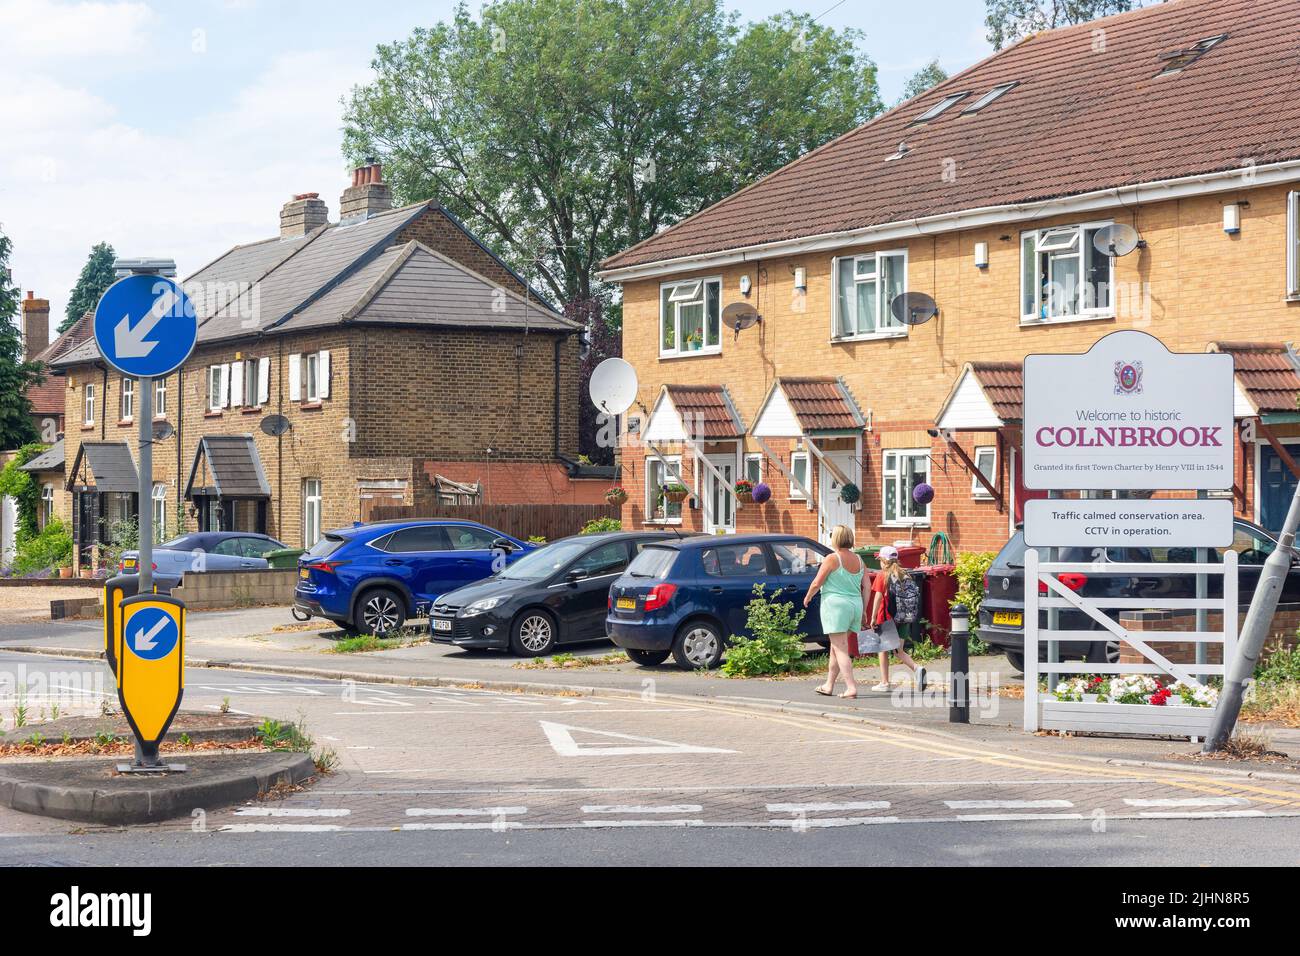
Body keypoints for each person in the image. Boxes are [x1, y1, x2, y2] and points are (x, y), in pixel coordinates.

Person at [804, 524, 869, 699]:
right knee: (835, 646)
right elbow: (867, 587)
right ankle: (829, 685)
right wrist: (863, 610)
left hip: (836, 606)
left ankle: (851, 687)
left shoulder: (832, 558)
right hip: (855, 605)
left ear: (836, 539)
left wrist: (808, 596)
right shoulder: (860, 560)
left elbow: (817, 583)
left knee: (840, 648)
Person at [866, 546, 928, 693]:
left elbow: (878, 597)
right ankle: (917, 668)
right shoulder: (904, 574)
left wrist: (873, 617)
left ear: (883, 560)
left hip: (887, 618)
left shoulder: (883, 575)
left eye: (879, 560)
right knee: (899, 651)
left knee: (883, 650)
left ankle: (885, 682)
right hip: (904, 618)